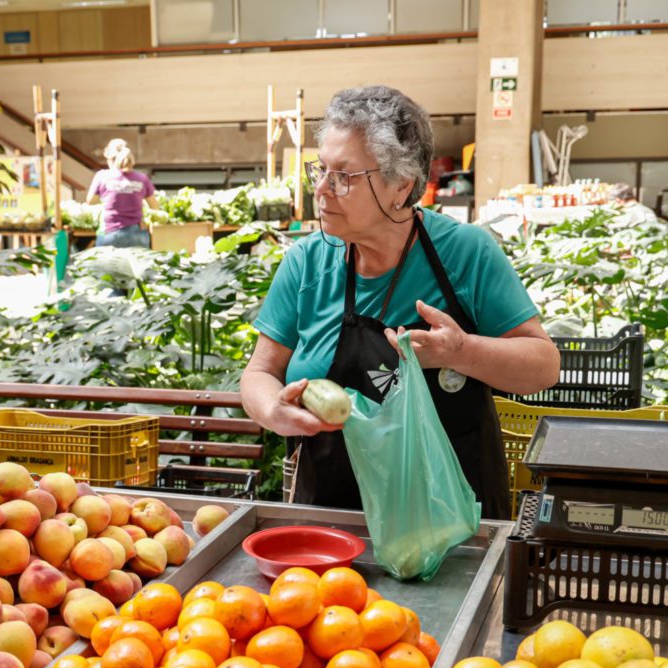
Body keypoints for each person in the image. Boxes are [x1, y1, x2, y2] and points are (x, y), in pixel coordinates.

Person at [240, 85, 561, 518]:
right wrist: (272, 410)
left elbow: (543, 366)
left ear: (402, 185)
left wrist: (463, 351)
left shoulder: (465, 253)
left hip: (450, 520)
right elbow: (260, 371)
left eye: (344, 177)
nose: (323, 190)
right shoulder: (306, 262)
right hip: (334, 523)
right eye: (321, 171)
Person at [86, 139, 158, 248]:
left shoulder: (102, 176)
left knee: (108, 265)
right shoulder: (142, 178)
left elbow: (90, 201)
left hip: (109, 234)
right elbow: (155, 207)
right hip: (137, 235)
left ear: (109, 158)